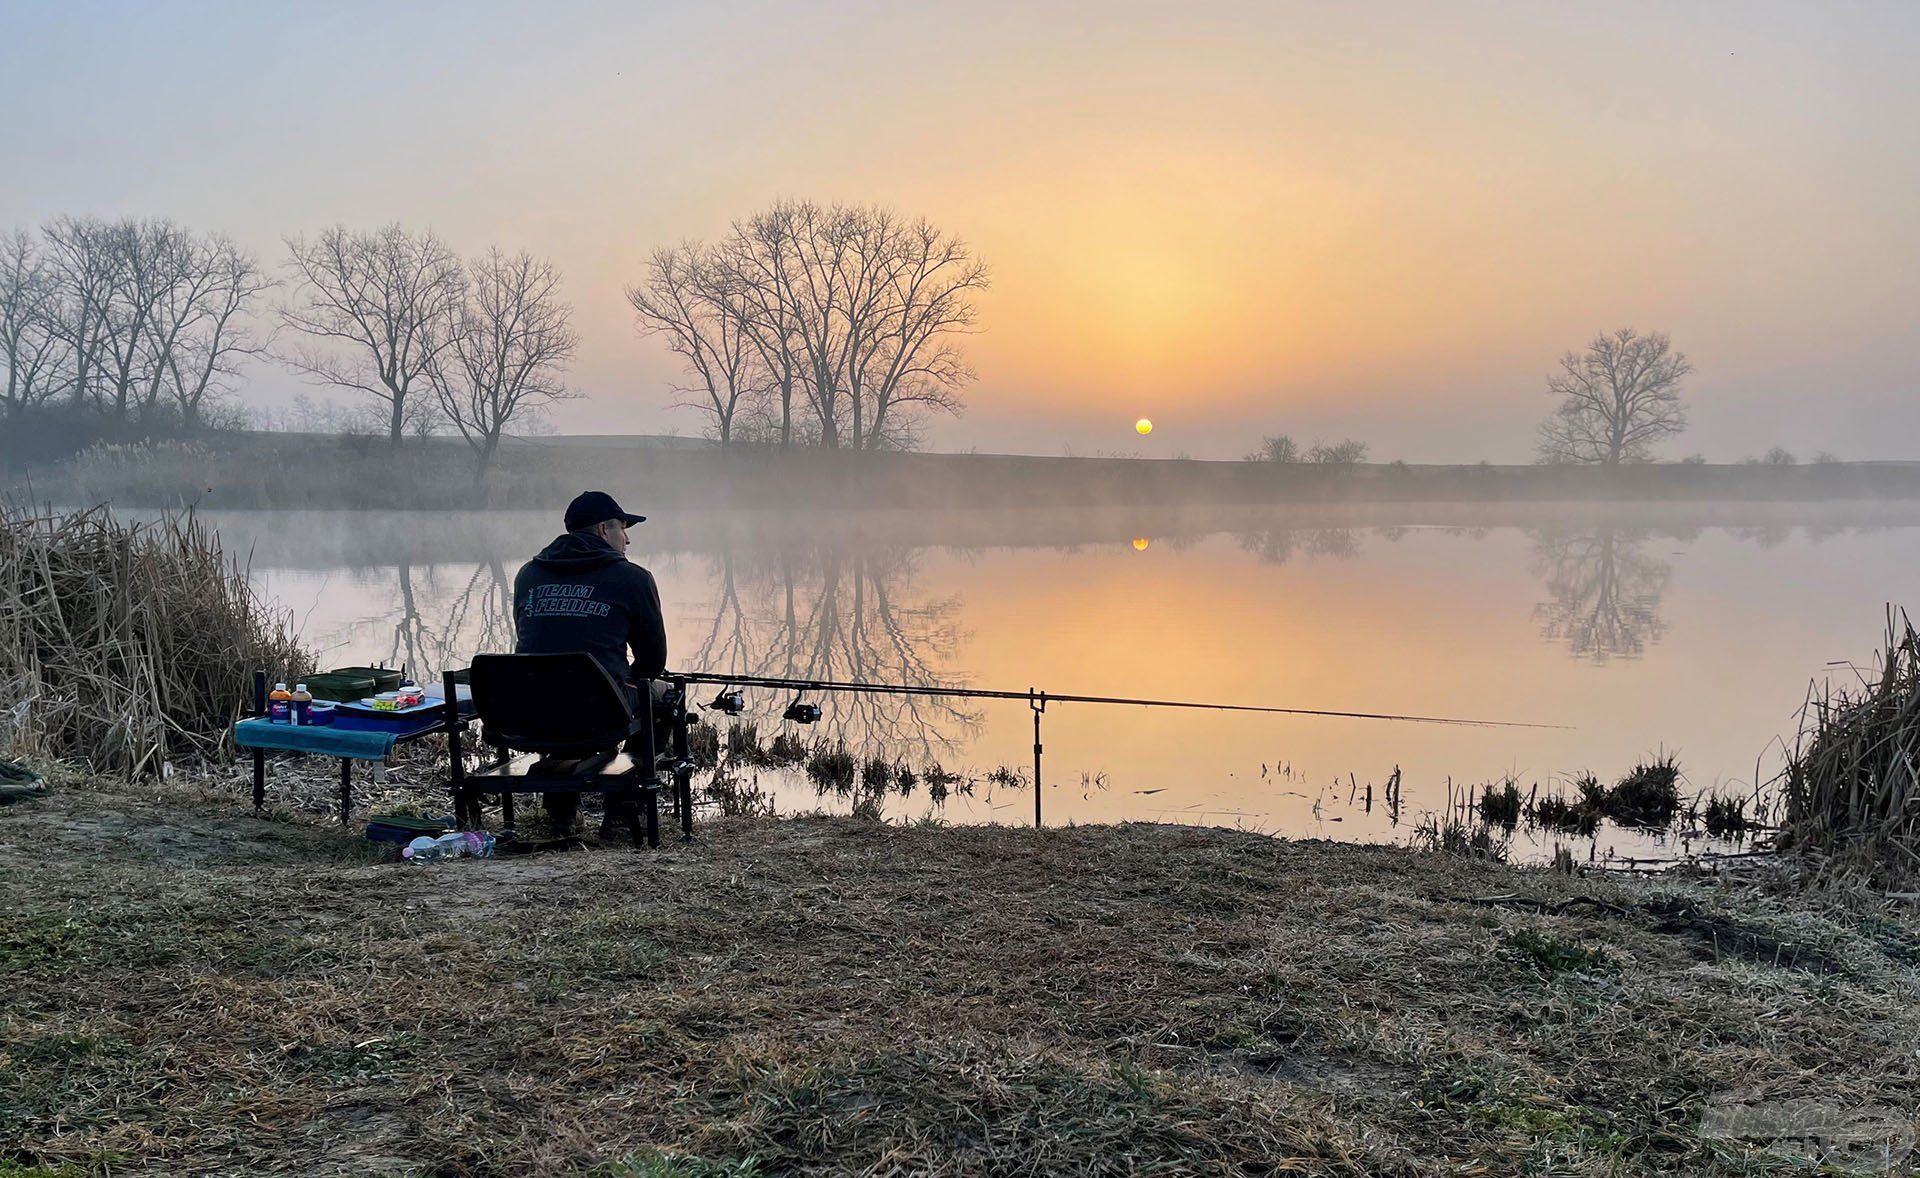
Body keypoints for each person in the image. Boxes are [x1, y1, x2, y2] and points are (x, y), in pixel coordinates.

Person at [512, 490, 667, 834]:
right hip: (601, 712)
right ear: (602, 530)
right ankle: (624, 809)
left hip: (533, 713)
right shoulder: (633, 578)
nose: (626, 539)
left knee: (568, 688)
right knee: (664, 697)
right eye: (623, 529)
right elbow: (652, 662)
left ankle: (562, 811)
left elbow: (532, 643)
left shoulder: (528, 575)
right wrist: (625, 678)